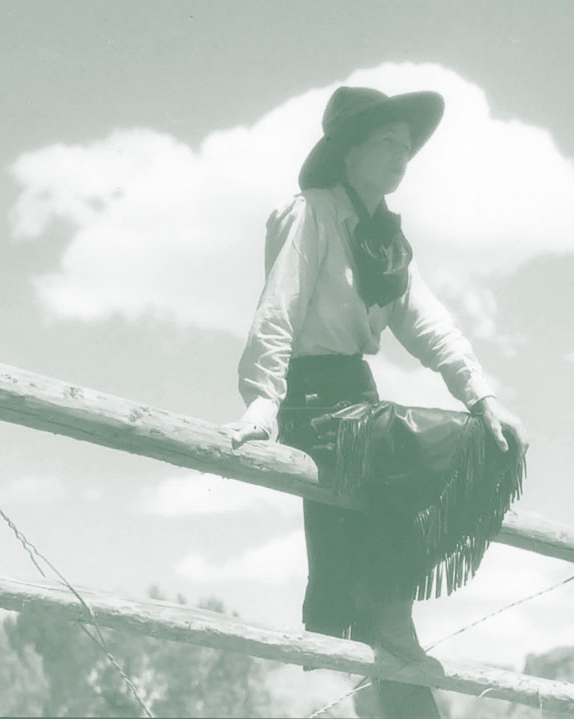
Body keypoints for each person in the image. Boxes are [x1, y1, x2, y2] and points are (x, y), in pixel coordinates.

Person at [224, 85, 529, 719]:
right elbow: (276, 311)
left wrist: (484, 394)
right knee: (413, 459)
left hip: (358, 400)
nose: (402, 157)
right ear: (349, 152)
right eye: (387, 143)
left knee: (484, 440)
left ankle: (389, 629)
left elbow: (429, 323)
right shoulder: (307, 213)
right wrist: (261, 400)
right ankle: (389, 618)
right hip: (313, 405)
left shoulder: (386, 238)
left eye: (407, 147)